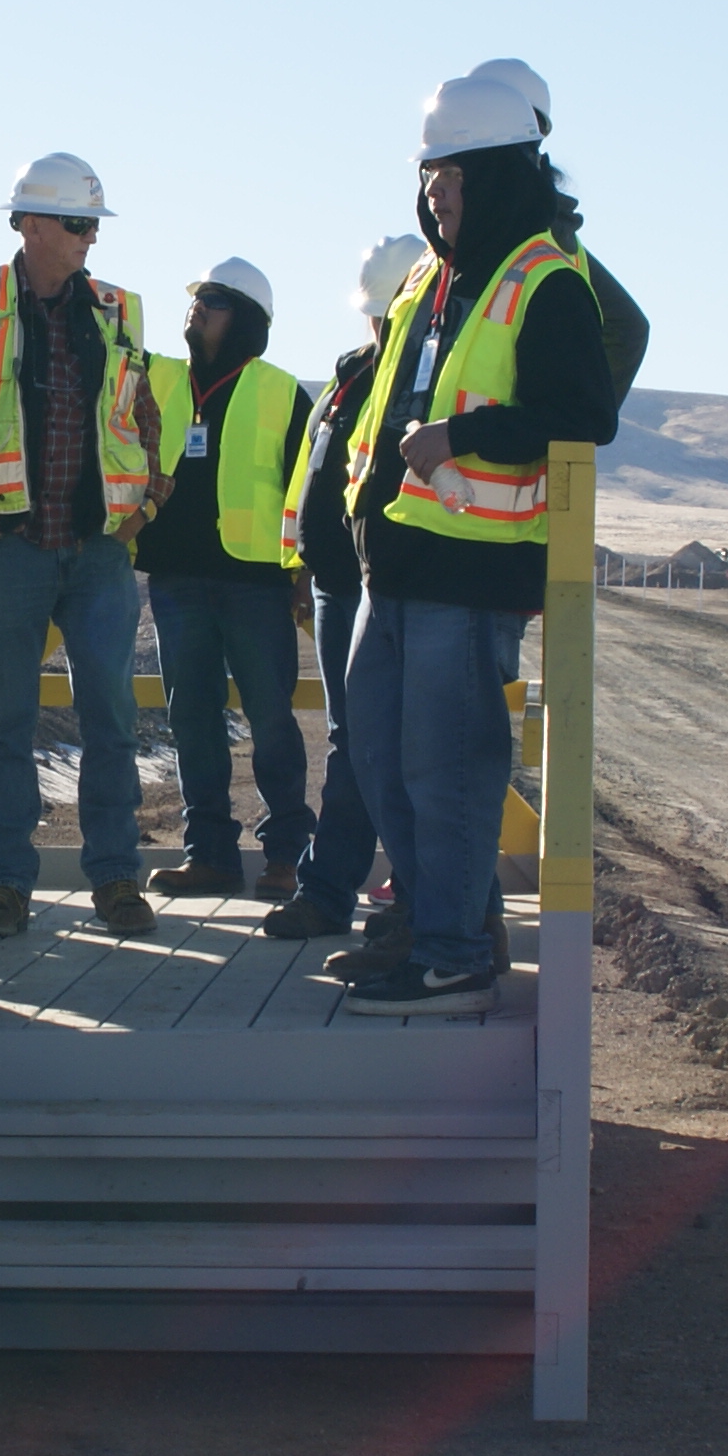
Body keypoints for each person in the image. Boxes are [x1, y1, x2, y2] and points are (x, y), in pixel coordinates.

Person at [336, 75, 621, 1014]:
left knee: (448, 769)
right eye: (428, 176)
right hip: (397, 559)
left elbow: (581, 412)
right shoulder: (433, 280)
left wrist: (462, 439)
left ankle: (455, 953)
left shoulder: (547, 282)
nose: (435, 194)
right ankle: (425, 924)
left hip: (470, 571)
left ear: (500, 176)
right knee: (378, 750)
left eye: (453, 175)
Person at [0, 152, 164, 941]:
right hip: (7, 546)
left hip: (99, 550)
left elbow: (141, 413)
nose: (89, 241)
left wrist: (146, 498)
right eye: (77, 225)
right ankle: (5, 881)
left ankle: (116, 878)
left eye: (92, 226)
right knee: (4, 719)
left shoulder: (115, 311)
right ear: (30, 225)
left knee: (110, 716)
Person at [135, 258, 315, 901]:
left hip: (256, 580)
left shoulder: (282, 391)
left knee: (270, 721)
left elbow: (309, 489)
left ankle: (289, 855)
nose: (198, 308)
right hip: (178, 579)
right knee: (192, 720)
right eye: (197, 299)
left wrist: (302, 574)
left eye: (214, 300)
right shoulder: (159, 376)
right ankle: (208, 854)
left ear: (246, 321)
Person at [282, 233, 424, 953]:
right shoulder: (352, 376)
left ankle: (391, 896)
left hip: (389, 585)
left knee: (390, 746)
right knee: (353, 740)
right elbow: (317, 477)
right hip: (340, 583)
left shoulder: (417, 378)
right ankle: (333, 891)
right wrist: (299, 566)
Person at [466, 57, 650, 396]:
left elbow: (629, 328)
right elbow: (630, 328)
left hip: (484, 442)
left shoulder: (518, 224)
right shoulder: (553, 227)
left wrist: (569, 419)